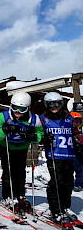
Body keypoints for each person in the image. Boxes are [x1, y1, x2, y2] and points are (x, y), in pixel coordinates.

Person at [0, 91, 43, 213]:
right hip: (6, 146)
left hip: (21, 147)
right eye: (15, 107)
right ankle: (8, 195)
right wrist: (4, 130)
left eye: (22, 109)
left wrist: (33, 137)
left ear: (28, 108)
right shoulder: (3, 116)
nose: (17, 112)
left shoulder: (33, 118)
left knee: (20, 172)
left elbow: (40, 132)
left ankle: (20, 195)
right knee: (8, 171)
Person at [40, 92, 83, 224]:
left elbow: (75, 133)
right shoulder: (43, 119)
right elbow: (38, 134)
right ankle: (56, 209)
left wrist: (78, 143)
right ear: (47, 105)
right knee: (57, 182)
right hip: (54, 155)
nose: (54, 107)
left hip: (68, 155)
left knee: (68, 182)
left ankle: (65, 206)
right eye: (51, 104)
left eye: (57, 104)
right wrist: (44, 139)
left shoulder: (68, 118)